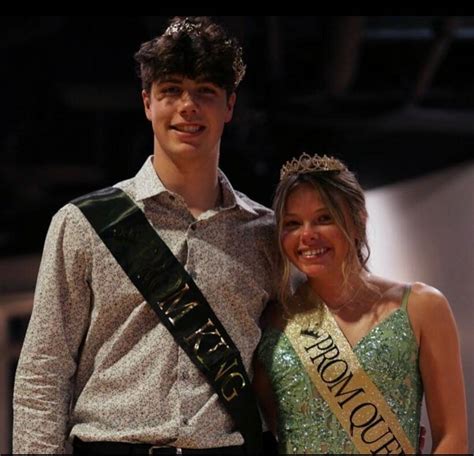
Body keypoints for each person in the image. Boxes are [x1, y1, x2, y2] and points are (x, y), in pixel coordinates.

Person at [13, 16, 278, 455]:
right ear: (146, 103)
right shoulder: (82, 223)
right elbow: (44, 371)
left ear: (230, 106)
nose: (187, 106)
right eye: (171, 90)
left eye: (205, 92)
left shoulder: (267, 233)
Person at [254, 152, 468, 454]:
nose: (307, 235)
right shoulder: (272, 321)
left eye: (324, 218)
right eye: (292, 223)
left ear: (358, 220)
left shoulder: (422, 307)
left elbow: (453, 439)